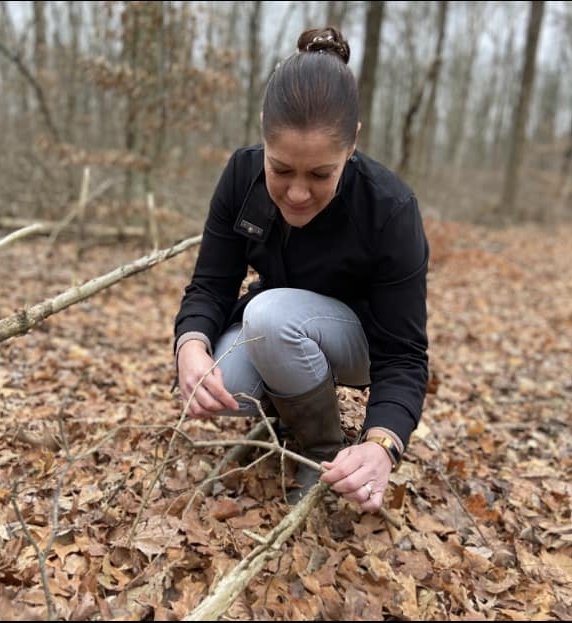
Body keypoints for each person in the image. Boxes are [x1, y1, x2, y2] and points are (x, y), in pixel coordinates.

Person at [173, 27, 429, 511]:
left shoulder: (390, 209)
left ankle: (322, 455)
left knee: (270, 318)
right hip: (280, 326)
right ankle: (290, 406)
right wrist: (190, 346)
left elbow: (404, 355)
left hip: (361, 344)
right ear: (263, 129)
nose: (296, 192)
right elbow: (211, 284)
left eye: (320, 174)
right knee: (228, 383)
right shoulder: (240, 175)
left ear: (352, 145)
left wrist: (382, 445)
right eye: (281, 168)